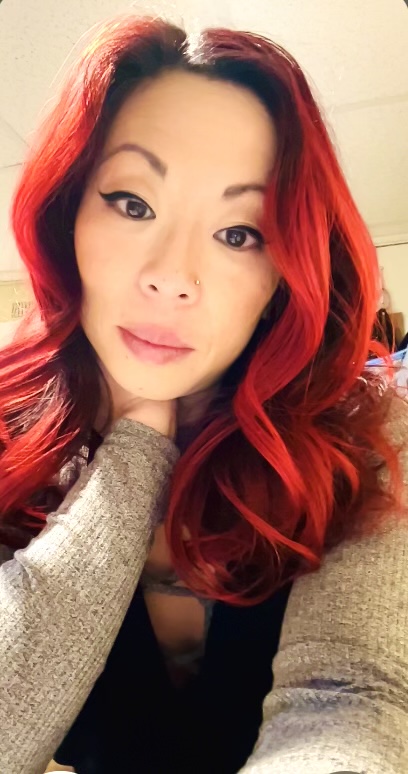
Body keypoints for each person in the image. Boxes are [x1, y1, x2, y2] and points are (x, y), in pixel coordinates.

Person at [0, 13, 407, 774]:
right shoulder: (8, 432)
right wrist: (138, 446)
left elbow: (350, 697)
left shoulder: (367, 429)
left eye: (239, 233)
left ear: (284, 270)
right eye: (133, 204)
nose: (172, 276)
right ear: (67, 215)